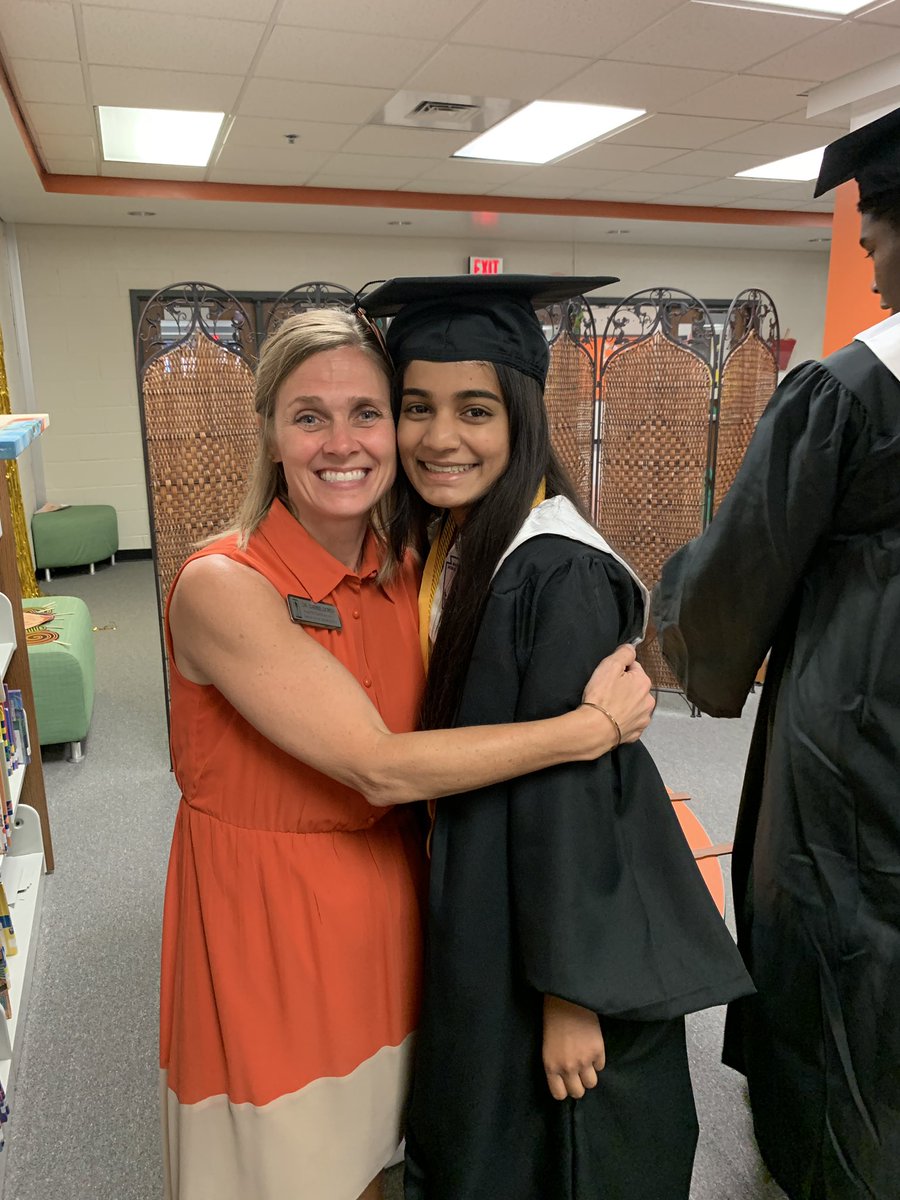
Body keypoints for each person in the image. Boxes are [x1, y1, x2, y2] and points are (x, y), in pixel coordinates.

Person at [159, 306, 656, 1200]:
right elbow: (379, 764)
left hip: (407, 912)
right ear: (270, 432)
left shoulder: (415, 567)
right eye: (309, 415)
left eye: (369, 412)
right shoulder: (224, 585)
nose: (341, 441)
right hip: (271, 931)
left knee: (389, 1159)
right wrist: (592, 728)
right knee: (286, 1169)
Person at [356, 275, 753, 1200]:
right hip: (488, 884)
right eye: (417, 407)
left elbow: (577, 794)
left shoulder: (557, 571)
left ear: (523, 417)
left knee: (539, 1143)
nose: (438, 436)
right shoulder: (463, 540)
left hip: (542, 918)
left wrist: (573, 994)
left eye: (474, 409)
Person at [652, 108, 900, 1200]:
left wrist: (676, 626)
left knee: (840, 925)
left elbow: (744, 567)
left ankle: (837, 1160)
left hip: (864, 708)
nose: (870, 258)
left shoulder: (853, 387)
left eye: (876, 233)